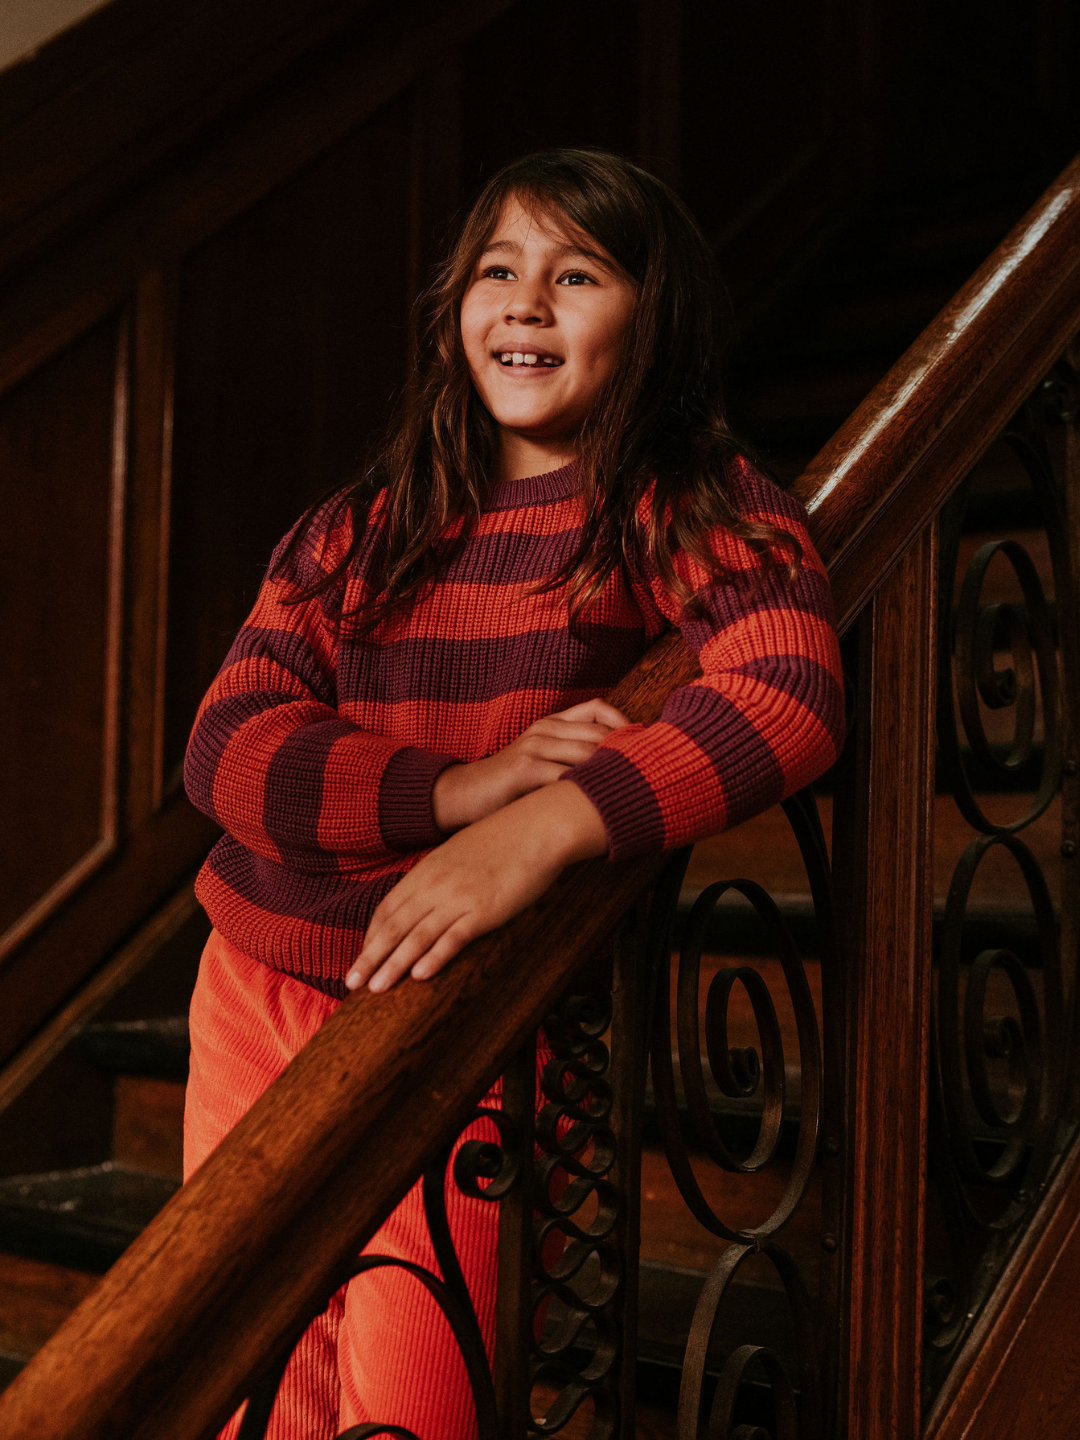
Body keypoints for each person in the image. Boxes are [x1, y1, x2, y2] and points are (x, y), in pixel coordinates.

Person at [182, 147, 845, 1438]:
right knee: (246, 1371)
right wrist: (464, 793)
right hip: (256, 976)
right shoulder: (359, 527)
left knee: (412, 1397)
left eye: (577, 273)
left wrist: (547, 829)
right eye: (498, 270)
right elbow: (227, 747)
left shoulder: (686, 505)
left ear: (654, 321)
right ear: (453, 313)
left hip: (459, 1012)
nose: (526, 302)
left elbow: (787, 698)